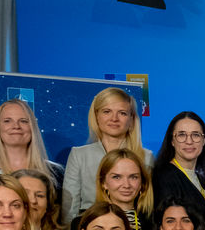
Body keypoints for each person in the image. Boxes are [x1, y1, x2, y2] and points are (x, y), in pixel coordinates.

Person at [0, 99, 64, 230]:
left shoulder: (55, 173)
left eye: (23, 121)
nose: (16, 126)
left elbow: (59, 221)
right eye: (7, 121)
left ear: (32, 127)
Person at [62, 87, 154, 220]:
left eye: (122, 113)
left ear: (131, 119)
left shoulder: (146, 157)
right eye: (107, 111)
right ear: (96, 116)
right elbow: (69, 211)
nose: (114, 118)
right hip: (89, 226)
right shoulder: (79, 155)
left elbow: (148, 204)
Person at [86, 149, 152, 230]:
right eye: (117, 177)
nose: (126, 185)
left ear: (142, 183)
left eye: (133, 177)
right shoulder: (88, 222)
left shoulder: (155, 221)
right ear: (103, 183)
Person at [152, 111, 205, 230]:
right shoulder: (163, 176)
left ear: (204, 140)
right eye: (182, 135)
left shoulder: (202, 178)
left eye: (196, 135)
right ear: (172, 140)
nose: (189, 141)